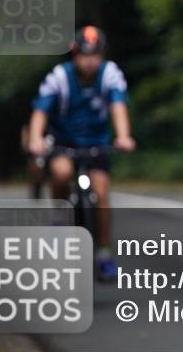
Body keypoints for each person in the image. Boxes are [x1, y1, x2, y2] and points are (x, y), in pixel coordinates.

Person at [27, 26, 136, 280]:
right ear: (74, 56)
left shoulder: (110, 74)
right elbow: (40, 111)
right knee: (62, 172)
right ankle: (58, 217)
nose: (89, 61)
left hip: (97, 143)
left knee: (101, 190)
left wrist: (123, 137)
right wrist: (35, 140)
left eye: (95, 55)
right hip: (64, 142)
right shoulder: (59, 77)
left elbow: (118, 106)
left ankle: (105, 253)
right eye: (84, 55)